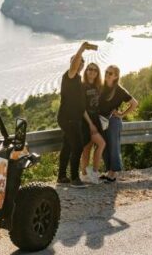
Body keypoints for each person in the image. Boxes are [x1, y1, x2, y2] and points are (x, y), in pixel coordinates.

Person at [57, 42, 96, 188]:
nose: (80, 64)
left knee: (67, 146)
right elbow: (74, 65)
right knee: (78, 147)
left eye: (82, 63)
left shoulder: (78, 79)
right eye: (78, 62)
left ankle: (61, 176)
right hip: (68, 118)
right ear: (73, 62)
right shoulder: (69, 76)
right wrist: (82, 49)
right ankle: (74, 178)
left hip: (74, 118)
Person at [98, 65, 138, 183]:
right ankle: (108, 171)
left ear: (116, 76)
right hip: (101, 121)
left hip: (113, 121)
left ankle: (113, 173)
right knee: (104, 146)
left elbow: (134, 103)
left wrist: (121, 114)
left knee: (114, 146)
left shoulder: (119, 90)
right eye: (106, 72)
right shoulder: (101, 87)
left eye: (110, 73)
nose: (107, 74)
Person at [79, 62, 106, 184]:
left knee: (90, 147)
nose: (92, 71)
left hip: (95, 119)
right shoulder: (82, 86)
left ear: (97, 73)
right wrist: (90, 124)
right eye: (89, 69)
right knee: (97, 145)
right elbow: (82, 108)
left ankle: (87, 174)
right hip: (86, 121)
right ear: (86, 71)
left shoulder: (98, 86)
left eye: (95, 70)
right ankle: (89, 174)